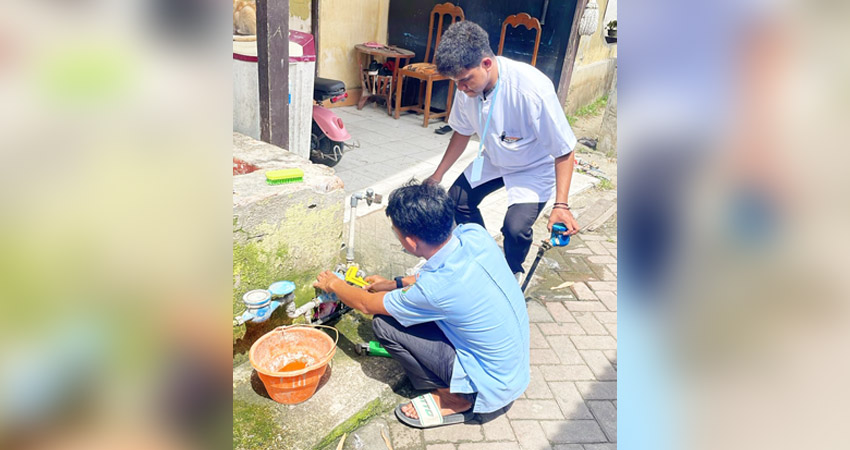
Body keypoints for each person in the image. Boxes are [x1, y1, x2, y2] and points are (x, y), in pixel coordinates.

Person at [312, 182, 529, 428]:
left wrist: (334, 285)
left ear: (411, 242)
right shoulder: (473, 235)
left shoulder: (435, 290)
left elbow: (364, 304)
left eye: (396, 232)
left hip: (490, 384)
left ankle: (455, 397)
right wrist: (392, 284)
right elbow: (436, 273)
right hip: (513, 368)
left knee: (385, 324)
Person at [425, 21, 579, 280]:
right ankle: (485, 258)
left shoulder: (532, 89)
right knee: (457, 202)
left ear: (486, 63)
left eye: (464, 80)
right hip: (494, 157)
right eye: (455, 83)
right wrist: (437, 175)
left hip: (532, 165)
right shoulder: (467, 88)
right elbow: (462, 132)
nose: (461, 88)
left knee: (515, 228)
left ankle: (512, 271)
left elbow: (565, 150)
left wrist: (561, 205)